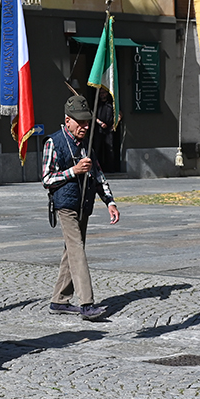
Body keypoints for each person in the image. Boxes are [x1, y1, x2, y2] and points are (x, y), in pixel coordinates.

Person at [42, 95, 120, 321]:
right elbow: (47, 178)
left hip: (84, 204)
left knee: (71, 251)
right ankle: (87, 304)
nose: (85, 126)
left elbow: (98, 174)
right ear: (67, 121)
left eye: (87, 122)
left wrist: (110, 202)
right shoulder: (53, 142)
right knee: (77, 250)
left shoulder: (86, 144)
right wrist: (73, 171)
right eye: (80, 122)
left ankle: (59, 300)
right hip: (65, 205)